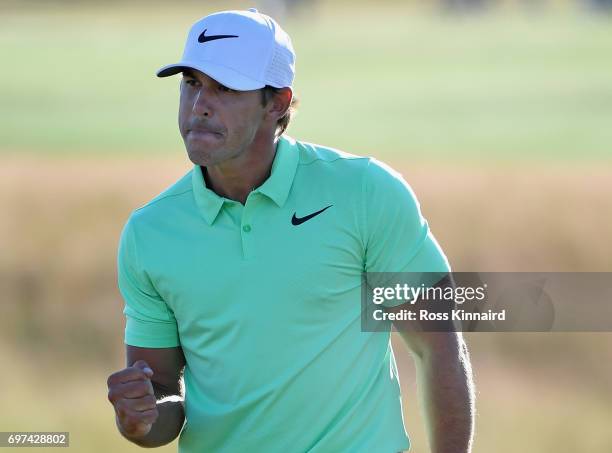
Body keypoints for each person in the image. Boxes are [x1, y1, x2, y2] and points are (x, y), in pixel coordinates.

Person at [106, 8, 474, 453]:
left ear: (277, 102)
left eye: (225, 88)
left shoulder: (365, 192)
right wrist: (140, 420)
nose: (200, 104)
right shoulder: (151, 232)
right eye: (191, 83)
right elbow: (163, 395)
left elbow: (440, 347)